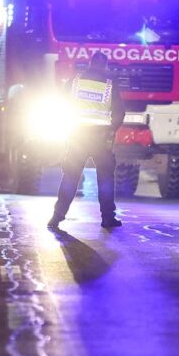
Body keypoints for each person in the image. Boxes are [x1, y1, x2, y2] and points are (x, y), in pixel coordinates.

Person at [48, 52, 125, 230]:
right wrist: (112, 130)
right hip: (100, 139)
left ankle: (57, 217)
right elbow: (120, 112)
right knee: (105, 178)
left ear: (89, 64)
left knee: (70, 177)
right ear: (105, 66)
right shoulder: (109, 86)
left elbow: (60, 104)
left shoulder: (75, 82)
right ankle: (107, 218)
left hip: (77, 138)